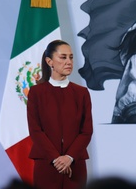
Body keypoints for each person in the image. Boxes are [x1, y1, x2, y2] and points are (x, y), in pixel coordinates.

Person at [27, 40, 93, 189]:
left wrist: (69, 158)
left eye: (71, 57)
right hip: (47, 164)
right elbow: (36, 131)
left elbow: (86, 131)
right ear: (49, 61)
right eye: (63, 57)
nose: (69, 62)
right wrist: (56, 159)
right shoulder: (36, 93)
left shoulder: (81, 93)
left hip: (75, 164)